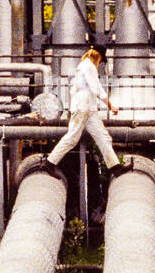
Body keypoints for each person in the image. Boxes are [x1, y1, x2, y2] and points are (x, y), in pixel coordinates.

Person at [45, 46, 128, 177]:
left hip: (88, 109)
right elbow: (96, 88)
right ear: (98, 56)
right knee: (72, 138)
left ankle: (115, 167)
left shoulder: (85, 66)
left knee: (103, 137)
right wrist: (110, 105)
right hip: (83, 108)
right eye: (100, 60)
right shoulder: (88, 67)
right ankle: (49, 163)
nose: (100, 63)